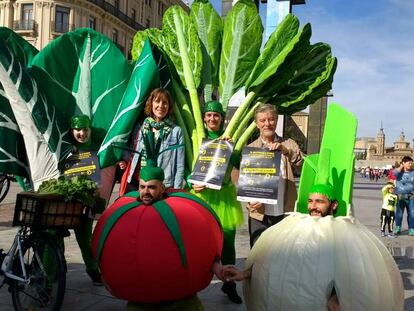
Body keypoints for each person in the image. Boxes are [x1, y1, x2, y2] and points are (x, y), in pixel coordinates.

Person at [222, 183, 340, 311]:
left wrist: (336, 296)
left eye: (319, 202)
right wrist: (245, 273)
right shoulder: (296, 227)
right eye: (310, 201)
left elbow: (347, 272)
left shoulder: (341, 235)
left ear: (333, 205)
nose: (313, 207)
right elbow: (273, 259)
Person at [127, 166, 226, 311]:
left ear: (162, 188)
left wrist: (218, 268)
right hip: (142, 296)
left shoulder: (180, 212)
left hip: (179, 295)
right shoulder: (130, 215)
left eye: (151, 187)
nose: (145, 192)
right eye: (142, 187)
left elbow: (200, 247)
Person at [190, 100, 244, 304]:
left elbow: (244, 164)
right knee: (200, 243)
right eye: (209, 115)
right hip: (202, 198)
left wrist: (232, 149)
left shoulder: (230, 140)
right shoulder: (197, 138)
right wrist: (191, 182)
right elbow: (189, 166)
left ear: (222, 118)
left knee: (228, 244)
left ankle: (229, 285)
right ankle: (192, 283)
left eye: (216, 115)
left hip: (225, 199)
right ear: (203, 118)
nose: (212, 119)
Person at [246, 103, 304, 247]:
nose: (267, 124)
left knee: (282, 254)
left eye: (271, 119)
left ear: (276, 120)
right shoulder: (251, 149)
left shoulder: (289, 143)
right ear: (256, 124)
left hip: (284, 211)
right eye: (263, 120)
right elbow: (246, 183)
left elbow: (302, 165)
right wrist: (250, 202)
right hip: (259, 213)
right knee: (258, 254)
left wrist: (287, 151)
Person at [119, 88, 185, 194]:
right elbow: (130, 148)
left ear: (169, 106)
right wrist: (124, 160)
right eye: (157, 101)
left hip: (163, 185)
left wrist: (177, 190)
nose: (161, 106)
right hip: (138, 182)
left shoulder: (176, 131)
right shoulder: (141, 127)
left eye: (165, 103)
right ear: (151, 103)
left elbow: (180, 165)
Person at [69, 115, 102, 284]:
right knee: (53, 238)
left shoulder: (96, 151)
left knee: (85, 240)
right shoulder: (66, 150)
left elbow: (98, 181)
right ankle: (50, 278)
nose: (82, 133)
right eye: (77, 130)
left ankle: (93, 270)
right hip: (65, 204)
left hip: (86, 205)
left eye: (85, 129)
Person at [393, 156, 414, 235]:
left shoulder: (413, 172)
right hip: (400, 196)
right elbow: (394, 173)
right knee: (399, 213)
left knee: (412, 212)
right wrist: (401, 166)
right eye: (409, 163)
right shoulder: (398, 172)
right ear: (403, 163)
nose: (410, 164)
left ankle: (411, 228)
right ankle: (398, 227)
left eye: (411, 163)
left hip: (411, 196)